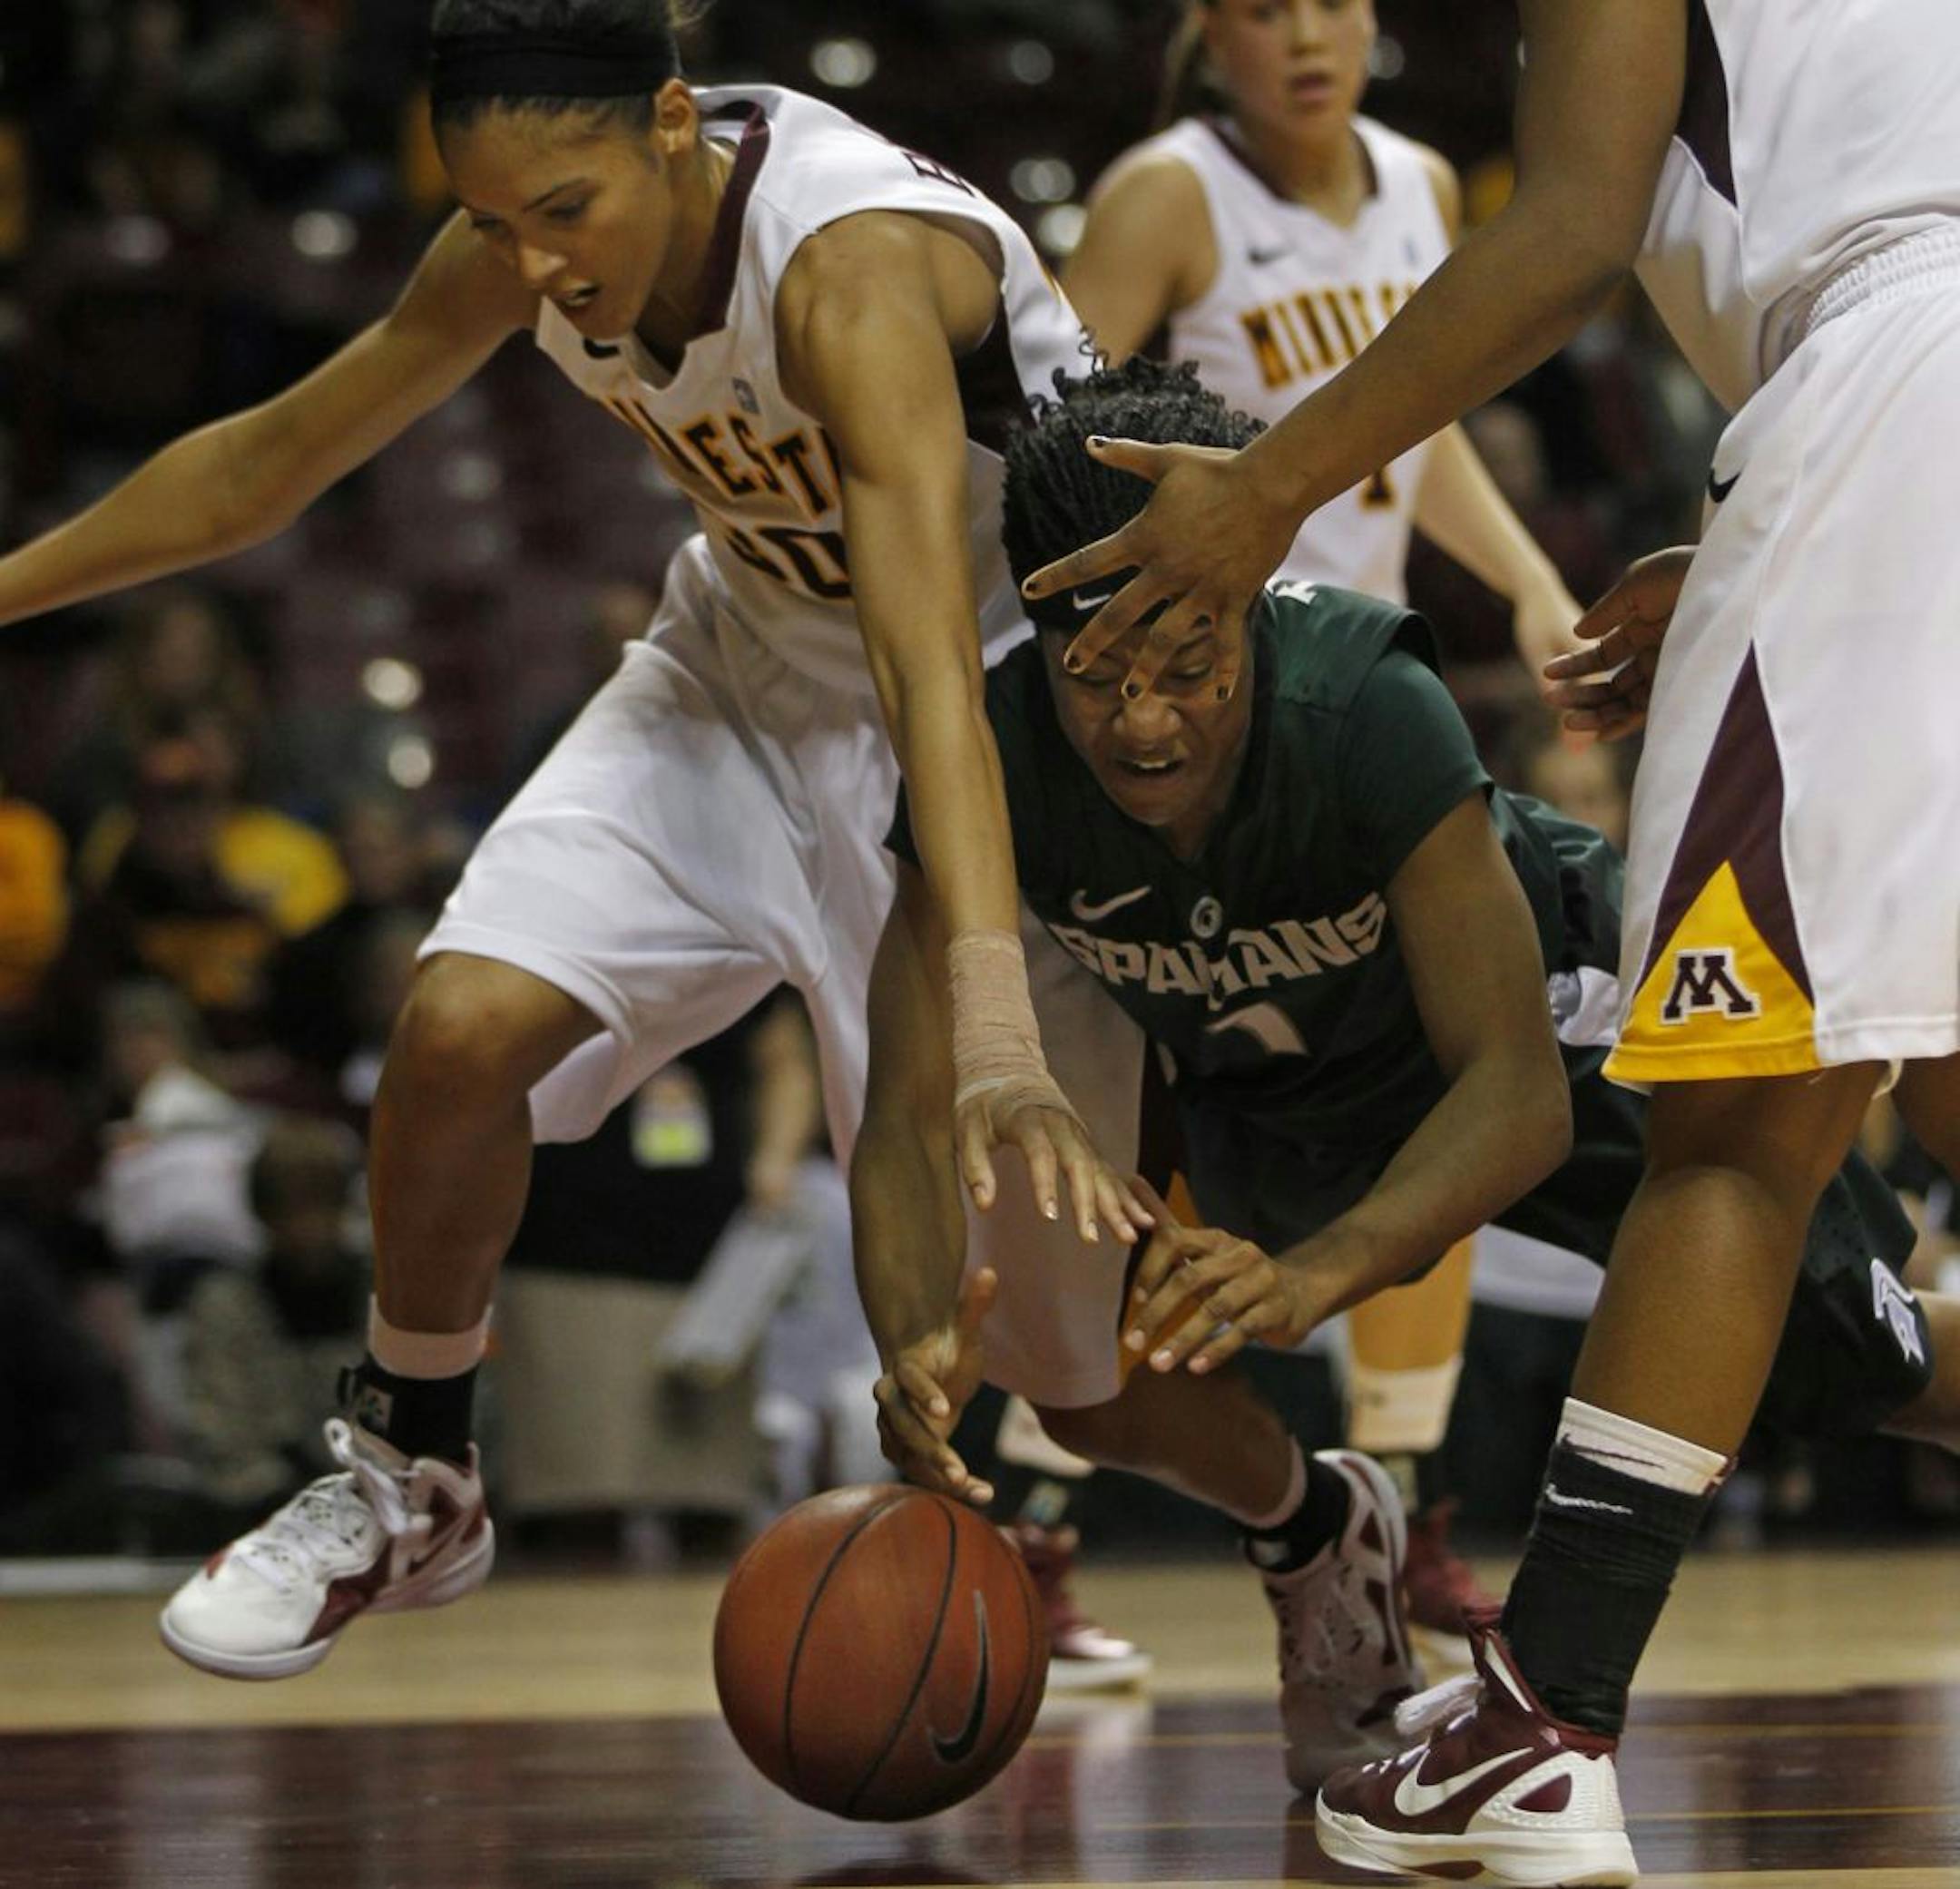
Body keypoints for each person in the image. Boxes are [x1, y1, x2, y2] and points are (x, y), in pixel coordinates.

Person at [0, 0, 1148, 1679]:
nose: (530, 262)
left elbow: (924, 667)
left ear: (673, 126)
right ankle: (413, 1468)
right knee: (457, 1027)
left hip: (987, 712)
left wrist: (987, 1016)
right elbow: (267, 466)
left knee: (1066, 1375)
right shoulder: (524, 234)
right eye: (490, 220)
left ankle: (1309, 1537)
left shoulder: (852, 270)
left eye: (562, 215)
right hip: (734, 670)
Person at [1014, 4, 1960, 1880]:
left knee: (1730, 1130)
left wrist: (1266, 488)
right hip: (1893, 412)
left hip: (1891, 390)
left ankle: (1549, 1721)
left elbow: (1577, 221)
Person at [854, 357, 1960, 1805]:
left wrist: (1312, 1279)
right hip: (1272, 1079)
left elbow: (1516, 1097)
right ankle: (1317, 1525)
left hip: (1541, 1027)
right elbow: (899, 1115)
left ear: (1248, 605)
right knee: (1075, 1383)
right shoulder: (986, 758)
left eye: (1187, 666)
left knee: (1863, 1371)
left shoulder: (1364, 694)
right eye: (1098, 678)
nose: (1142, 724)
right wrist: (913, 1341)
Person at [1056, 0, 1595, 1649]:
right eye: (1265, 7)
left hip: (1352, 716)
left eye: (1331, 3)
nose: (1306, 36)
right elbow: (1049, 445)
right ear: (1209, 32)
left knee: (1421, 1091)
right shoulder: (1168, 194)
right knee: (1171, 1138)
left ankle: (1409, 1504)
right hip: (1191, 725)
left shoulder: (1427, 180)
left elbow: (1410, 432)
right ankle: (1027, 1516)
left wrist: (1524, 579)